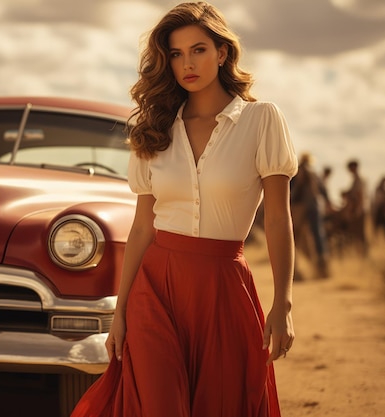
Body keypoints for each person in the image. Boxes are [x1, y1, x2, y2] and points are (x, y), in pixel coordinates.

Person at [71, 3, 297, 416]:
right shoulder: (154, 130)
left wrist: (282, 305)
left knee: (221, 403)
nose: (186, 63)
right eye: (176, 54)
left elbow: (279, 219)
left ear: (222, 53)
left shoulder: (261, 120)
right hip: (155, 289)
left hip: (223, 289)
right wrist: (119, 312)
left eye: (198, 50)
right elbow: (141, 229)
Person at [290, 152, 329, 279]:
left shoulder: (296, 172)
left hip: (299, 208)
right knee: (318, 236)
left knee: (293, 239)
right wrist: (328, 203)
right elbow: (323, 190)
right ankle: (322, 268)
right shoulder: (314, 173)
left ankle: (295, 271)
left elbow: (292, 190)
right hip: (314, 207)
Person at [371, 175, 385, 240]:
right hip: (379, 211)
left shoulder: (383, 189)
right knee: (378, 226)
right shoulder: (379, 189)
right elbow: (378, 200)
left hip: (382, 210)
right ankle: (377, 239)